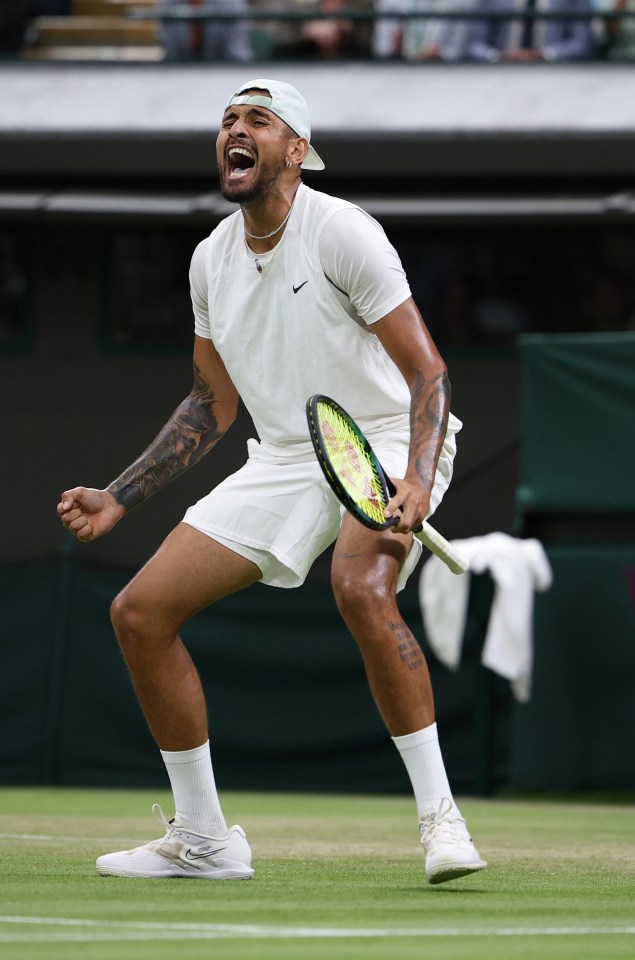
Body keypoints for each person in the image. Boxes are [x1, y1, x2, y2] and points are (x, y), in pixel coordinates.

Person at [57, 78, 487, 886]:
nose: (234, 131)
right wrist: (120, 494)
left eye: (257, 119)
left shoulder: (344, 233)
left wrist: (419, 478)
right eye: (225, 120)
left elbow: (429, 373)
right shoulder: (209, 260)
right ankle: (206, 840)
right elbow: (210, 402)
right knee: (140, 614)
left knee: (360, 587)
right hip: (287, 454)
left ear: (297, 149)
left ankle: (442, 820)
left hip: (388, 438)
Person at [461, 0, 594, 61]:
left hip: (557, 76)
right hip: (500, 73)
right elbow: (473, 44)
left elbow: (581, 43)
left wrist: (544, 55)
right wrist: (498, 56)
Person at [159, 0, 252, 61]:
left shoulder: (231, 3)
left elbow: (236, 53)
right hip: (181, 74)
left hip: (223, 73)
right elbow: (172, 54)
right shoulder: (169, 3)